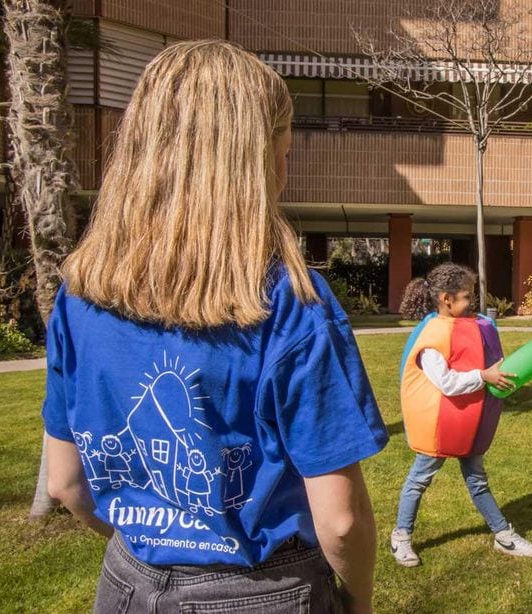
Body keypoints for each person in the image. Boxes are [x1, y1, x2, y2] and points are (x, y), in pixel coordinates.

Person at [42, 40, 388, 613]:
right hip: (266, 591)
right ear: (252, 163)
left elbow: (66, 486)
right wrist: (357, 603)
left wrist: (158, 550)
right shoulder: (291, 301)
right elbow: (342, 520)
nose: (285, 168)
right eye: (283, 152)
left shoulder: (80, 296)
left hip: (127, 583)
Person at [390, 264, 532, 567]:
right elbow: (446, 382)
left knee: (477, 480)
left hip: (466, 420)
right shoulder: (434, 335)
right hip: (441, 422)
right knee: (419, 479)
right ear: (447, 299)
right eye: (466, 296)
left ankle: (503, 535)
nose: (472, 300)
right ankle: (401, 537)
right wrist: (483, 376)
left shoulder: (470, 325)